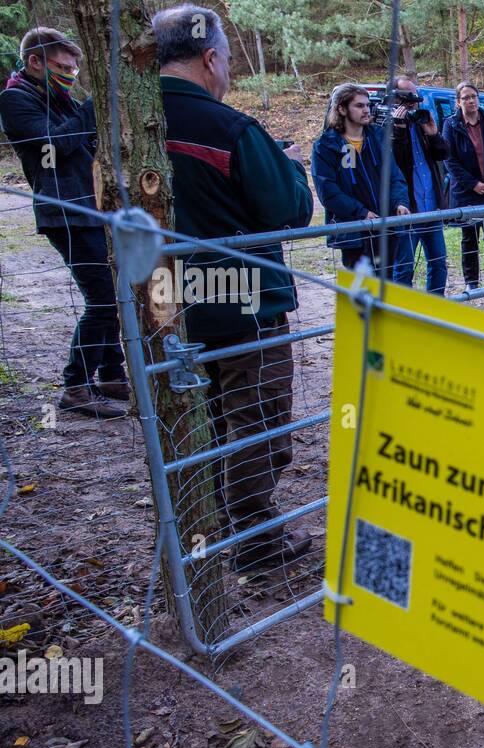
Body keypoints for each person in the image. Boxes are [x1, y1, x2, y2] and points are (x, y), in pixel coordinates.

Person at [153, 4, 315, 573]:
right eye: (226, 62)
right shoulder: (231, 128)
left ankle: (209, 526)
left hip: (168, 303)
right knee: (258, 417)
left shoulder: (125, 122)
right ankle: (253, 540)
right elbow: (290, 211)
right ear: (210, 57)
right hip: (244, 304)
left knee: (208, 416)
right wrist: (291, 166)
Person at [0, 28, 126, 418]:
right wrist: (93, 107)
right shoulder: (15, 99)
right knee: (103, 299)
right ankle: (75, 385)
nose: (69, 74)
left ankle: (111, 374)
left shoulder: (59, 98)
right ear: (35, 61)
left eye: (73, 68)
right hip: (64, 213)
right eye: (61, 66)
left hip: (93, 208)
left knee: (115, 296)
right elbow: (50, 147)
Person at [312, 82, 412, 276]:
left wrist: (400, 202)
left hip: (386, 228)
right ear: (341, 108)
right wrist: (361, 212)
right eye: (359, 105)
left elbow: (394, 176)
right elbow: (328, 192)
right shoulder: (325, 146)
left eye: (367, 105)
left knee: (386, 288)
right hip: (354, 233)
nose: (366, 110)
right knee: (363, 293)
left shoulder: (378, 136)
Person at [441, 82, 484, 292]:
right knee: (469, 238)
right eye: (466, 98)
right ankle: (472, 283)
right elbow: (449, 160)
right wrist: (474, 184)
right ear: (458, 102)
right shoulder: (451, 125)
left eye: (474, 96)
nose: (471, 101)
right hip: (467, 192)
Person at [389, 75, 451, 295]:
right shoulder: (387, 126)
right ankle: (403, 315)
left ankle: (433, 311)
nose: (414, 101)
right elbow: (394, 163)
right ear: (396, 99)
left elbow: (443, 154)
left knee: (438, 263)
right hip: (408, 210)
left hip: (431, 207)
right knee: (403, 268)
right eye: (408, 97)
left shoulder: (422, 121)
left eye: (416, 96)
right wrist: (398, 129)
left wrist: (433, 134)